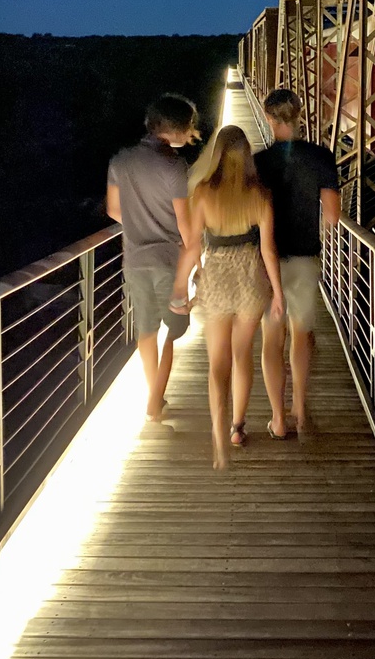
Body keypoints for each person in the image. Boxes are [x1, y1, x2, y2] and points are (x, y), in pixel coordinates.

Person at [170, 125, 284, 469]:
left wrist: (180, 287)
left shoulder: (203, 193)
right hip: (250, 278)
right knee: (241, 356)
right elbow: (268, 249)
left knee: (217, 364)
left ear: (217, 155)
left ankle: (218, 436)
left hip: (217, 278)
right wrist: (278, 293)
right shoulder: (260, 194)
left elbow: (192, 247)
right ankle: (237, 427)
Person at [106, 93, 198, 423]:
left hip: (134, 259)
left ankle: (153, 394)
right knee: (174, 328)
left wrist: (140, 222)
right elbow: (185, 223)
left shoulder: (120, 160)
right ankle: (155, 399)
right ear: (174, 129)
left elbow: (114, 210)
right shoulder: (173, 166)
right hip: (169, 261)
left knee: (145, 330)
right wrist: (198, 264)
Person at [255, 89, 340, 438]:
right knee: (302, 335)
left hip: (266, 260)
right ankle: (301, 409)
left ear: (269, 119)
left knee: (271, 339)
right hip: (305, 256)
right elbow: (333, 217)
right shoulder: (322, 156)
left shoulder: (258, 162)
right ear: (300, 115)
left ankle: (278, 418)